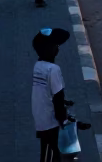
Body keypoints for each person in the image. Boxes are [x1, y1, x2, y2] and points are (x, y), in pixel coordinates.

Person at [31, 27, 71, 162]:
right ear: (50, 49)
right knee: (57, 153)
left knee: (46, 151)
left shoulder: (38, 65)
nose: (58, 49)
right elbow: (58, 96)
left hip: (40, 116)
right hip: (51, 121)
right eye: (56, 46)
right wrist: (63, 120)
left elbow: (45, 92)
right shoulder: (53, 69)